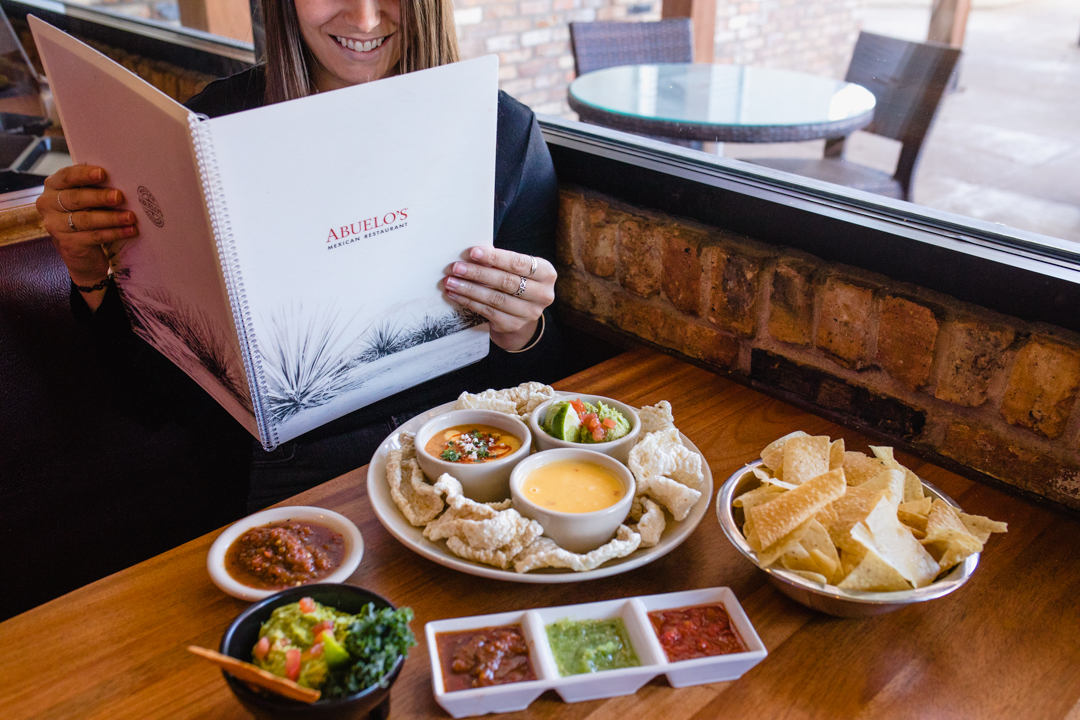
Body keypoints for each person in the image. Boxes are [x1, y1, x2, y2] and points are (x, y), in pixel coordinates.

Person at [35, 0, 563, 509]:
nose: (364, 16)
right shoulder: (209, 133)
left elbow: (545, 380)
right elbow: (151, 403)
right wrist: (89, 275)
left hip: (461, 451)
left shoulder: (503, 132)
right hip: (282, 475)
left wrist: (520, 331)